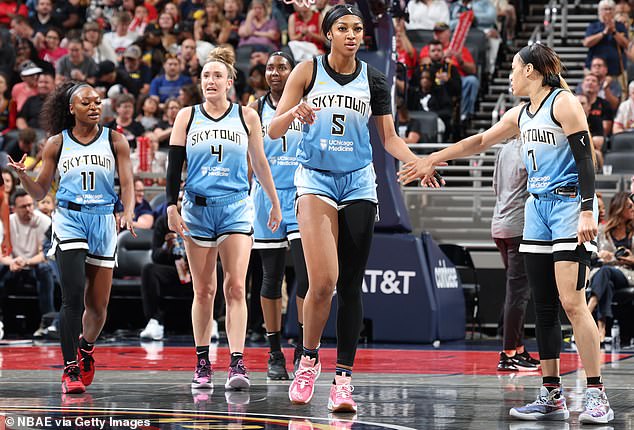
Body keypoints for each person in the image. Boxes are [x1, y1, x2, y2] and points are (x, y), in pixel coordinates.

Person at [401, 43, 614, 424]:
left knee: (572, 303)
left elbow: (585, 160)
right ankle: (551, 395)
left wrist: (586, 210)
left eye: (515, 70)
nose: (512, 76)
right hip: (537, 208)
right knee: (543, 306)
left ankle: (597, 394)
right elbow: (480, 141)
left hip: (569, 205)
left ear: (531, 71)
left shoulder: (563, 103)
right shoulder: (520, 114)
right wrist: (433, 158)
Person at [269, 4, 432, 411]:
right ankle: (308, 360)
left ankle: (344, 379)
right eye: (343, 28)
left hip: (359, 181)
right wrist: (294, 111)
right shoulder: (307, 72)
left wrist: (417, 160)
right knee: (322, 282)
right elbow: (273, 128)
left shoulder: (375, 80)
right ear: (328, 33)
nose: (352, 34)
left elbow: (389, 139)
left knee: (352, 286)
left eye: (357, 28)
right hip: (315, 179)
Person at [7, 81, 135, 394]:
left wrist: (128, 211)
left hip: (104, 219)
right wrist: (23, 176)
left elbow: (128, 184)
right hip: (69, 218)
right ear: (71, 108)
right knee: (73, 297)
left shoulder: (115, 140)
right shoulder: (56, 143)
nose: (94, 107)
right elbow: (39, 191)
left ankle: (86, 348)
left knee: (99, 306)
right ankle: (70, 369)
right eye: (87, 103)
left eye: (98, 102)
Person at [166, 46, 281, 391]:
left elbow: (260, 162)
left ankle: (237, 363)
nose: (210, 81)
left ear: (230, 81)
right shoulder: (187, 116)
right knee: (204, 291)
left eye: (217, 75)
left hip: (234, 206)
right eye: (205, 76)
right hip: (197, 209)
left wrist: (274, 202)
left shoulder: (246, 116)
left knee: (234, 287)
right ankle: (202, 362)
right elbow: (174, 164)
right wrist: (171, 205)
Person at [247, 51, 308, 380]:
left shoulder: (307, 102)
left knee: (307, 278)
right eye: (270, 67)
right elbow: (248, 157)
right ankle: (273, 353)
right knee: (269, 279)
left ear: (292, 72)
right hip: (266, 199)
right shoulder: (254, 109)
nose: (274, 72)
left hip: (301, 196)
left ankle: (302, 348)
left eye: (281, 67)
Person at [491, 138, 540, 372]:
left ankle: (518, 349)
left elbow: (495, 186)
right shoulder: (528, 148)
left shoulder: (503, 150)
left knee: (515, 291)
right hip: (518, 226)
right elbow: (537, 186)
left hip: (499, 224)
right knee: (518, 293)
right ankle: (508, 353)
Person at [0, 189, 55, 338]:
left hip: (34, 265)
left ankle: (47, 323)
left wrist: (27, 261)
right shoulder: (6, 222)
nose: (29, 209)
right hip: (13, 265)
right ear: (14, 208)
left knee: (46, 269)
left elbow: (46, 254)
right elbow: (1, 254)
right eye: (23, 207)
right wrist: (12, 262)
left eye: (31, 205)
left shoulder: (45, 221)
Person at [588, 192, 634, 342]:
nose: (633, 209)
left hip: (627, 274)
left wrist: (631, 259)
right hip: (604, 272)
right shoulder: (602, 231)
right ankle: (601, 328)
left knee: (605, 272)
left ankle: (587, 312)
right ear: (620, 208)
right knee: (606, 281)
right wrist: (601, 255)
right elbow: (591, 256)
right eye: (629, 206)